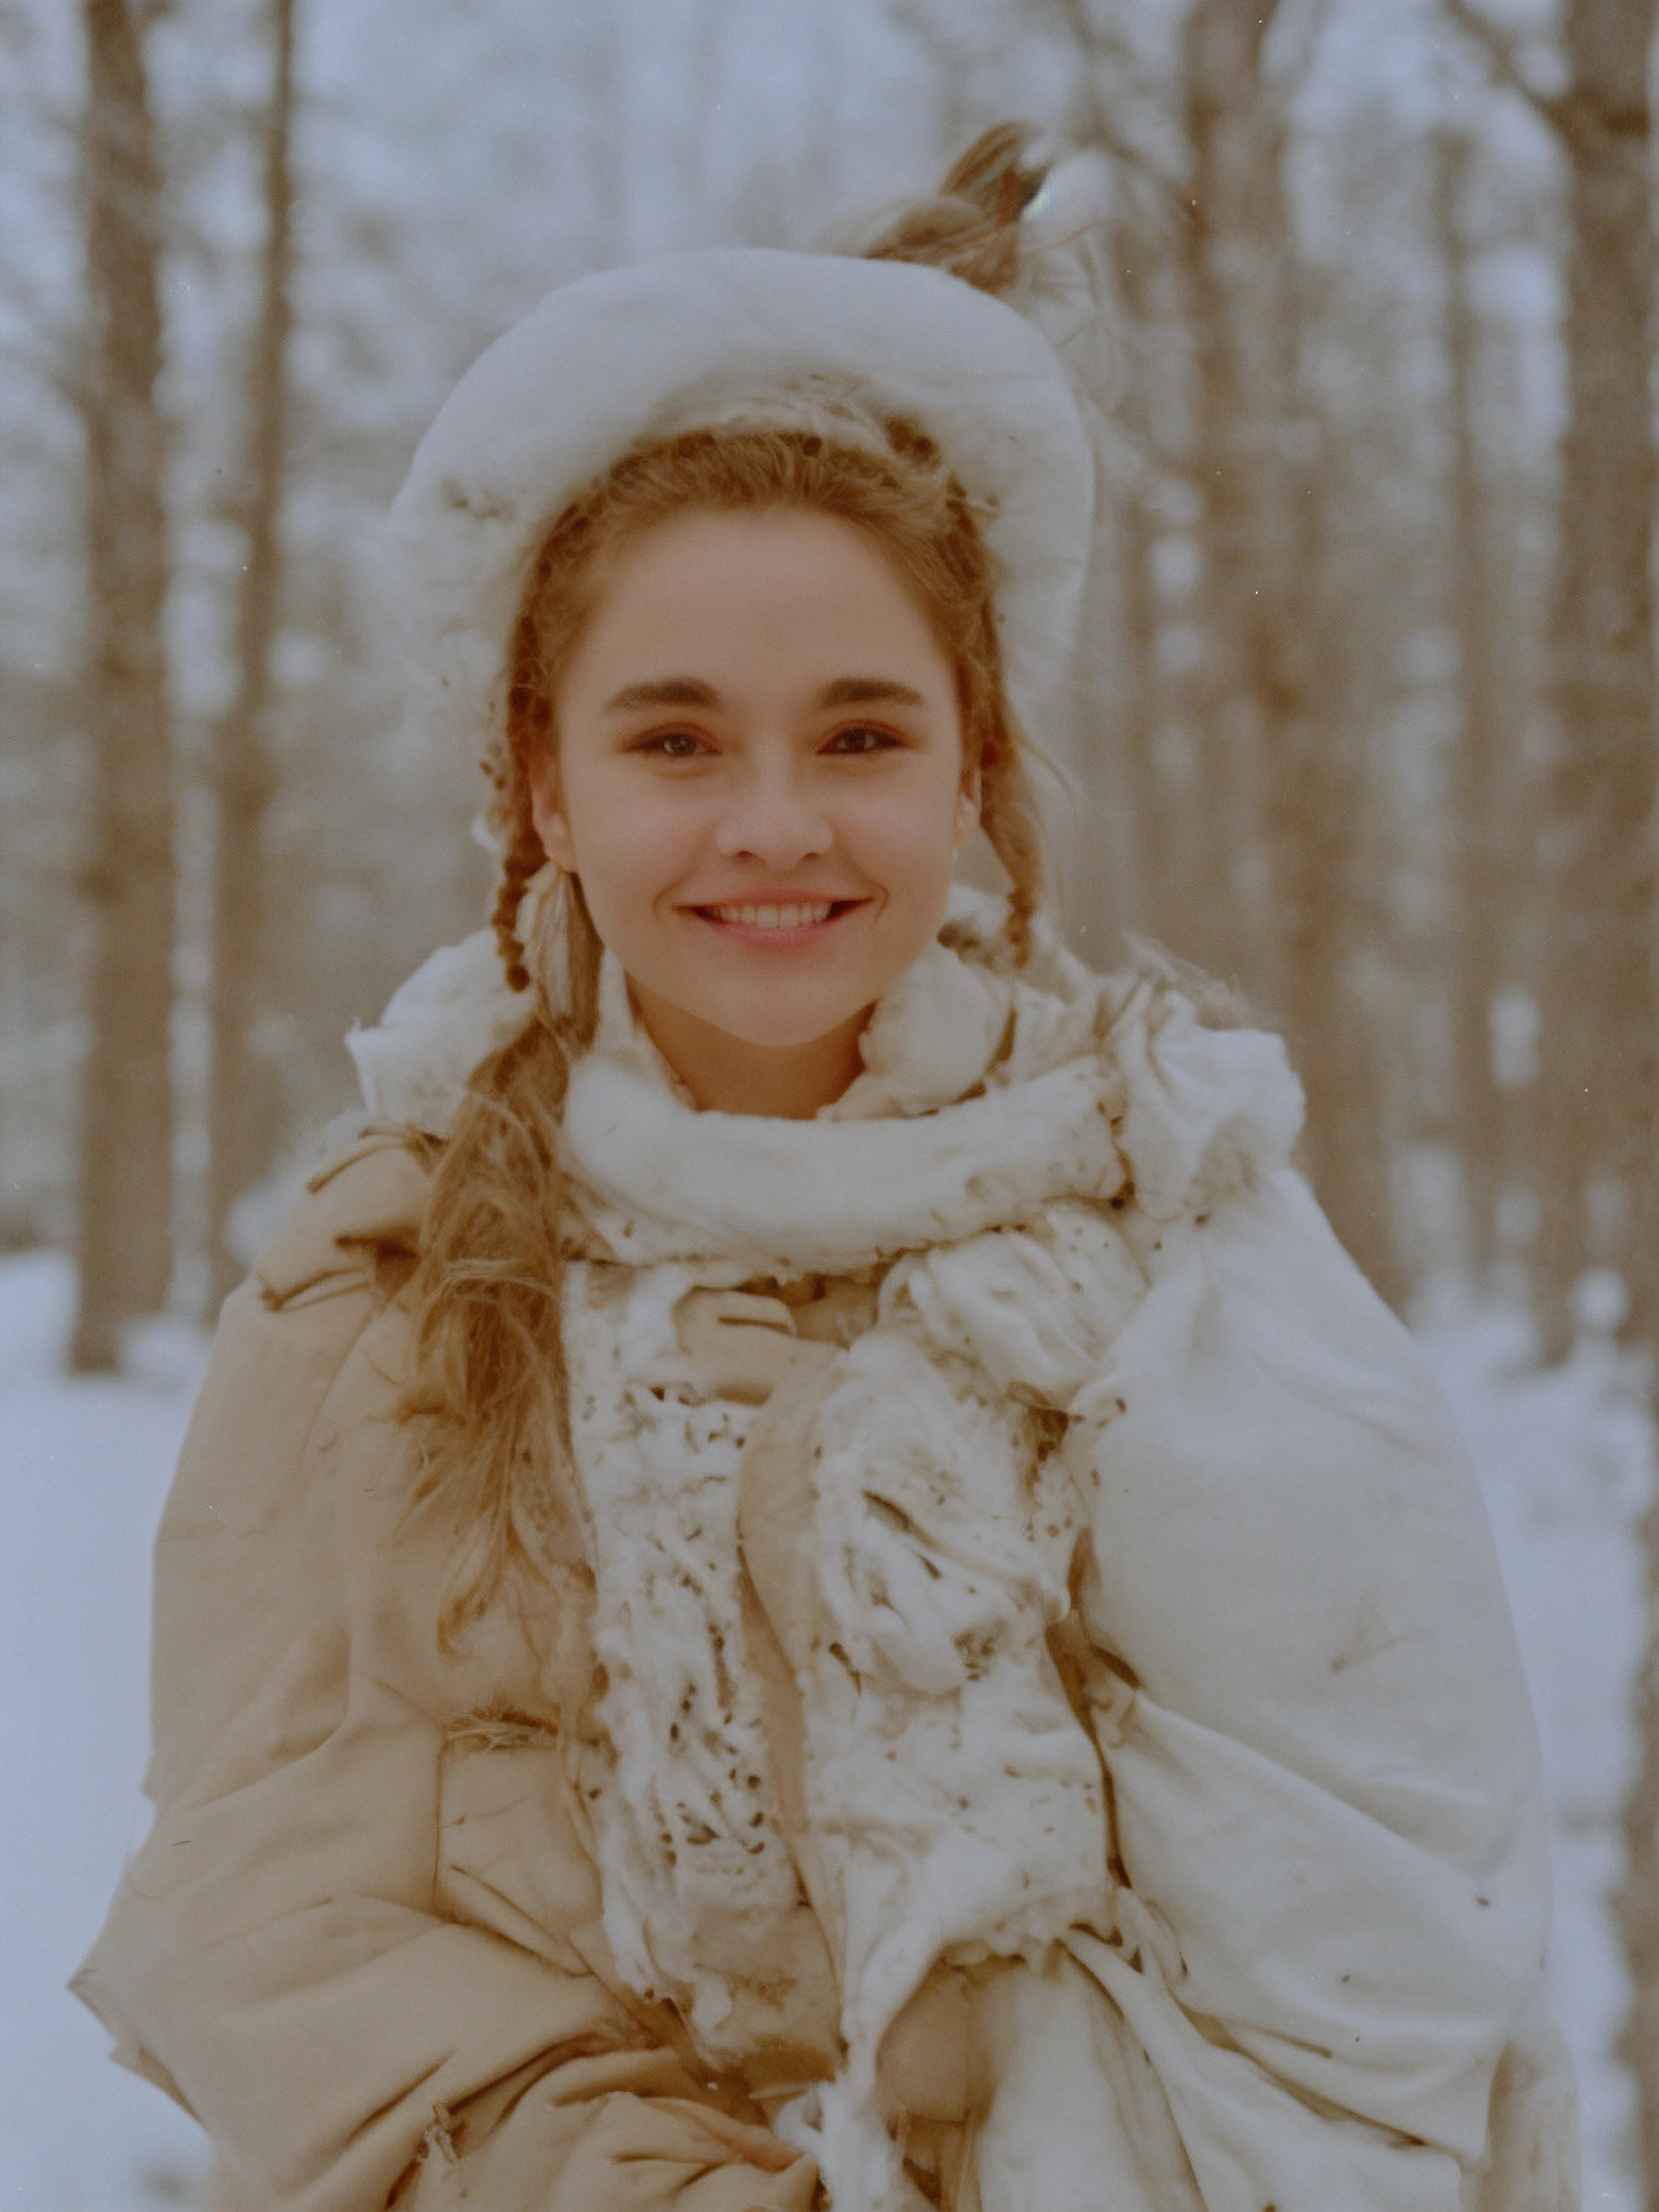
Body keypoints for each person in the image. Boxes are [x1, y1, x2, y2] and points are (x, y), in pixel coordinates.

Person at [76, 129, 1579, 2212]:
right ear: (540, 779)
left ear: (972, 763)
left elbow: (1392, 1952)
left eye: (861, 736)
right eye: (676, 741)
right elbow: (286, 1929)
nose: (774, 821)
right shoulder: (388, 1287)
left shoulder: (1182, 1249)